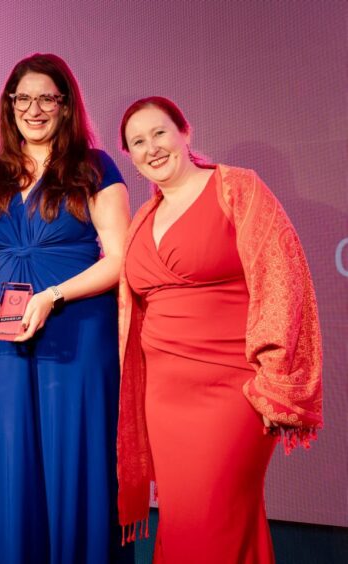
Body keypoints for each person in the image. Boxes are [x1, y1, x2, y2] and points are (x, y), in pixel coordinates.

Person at [116, 96, 323, 562]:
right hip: (164, 398)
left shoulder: (236, 188)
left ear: (185, 133)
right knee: (182, 523)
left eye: (160, 133)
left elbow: (282, 280)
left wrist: (276, 379)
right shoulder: (142, 218)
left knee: (218, 521)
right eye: (138, 142)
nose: (152, 148)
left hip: (233, 392)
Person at [0, 53, 132, 564]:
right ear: (9, 106)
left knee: (77, 468)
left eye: (46, 99)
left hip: (78, 336)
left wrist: (50, 297)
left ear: (65, 105)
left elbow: (120, 259)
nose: (34, 109)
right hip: (9, 341)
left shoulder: (95, 167)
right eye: (23, 99)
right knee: (13, 470)